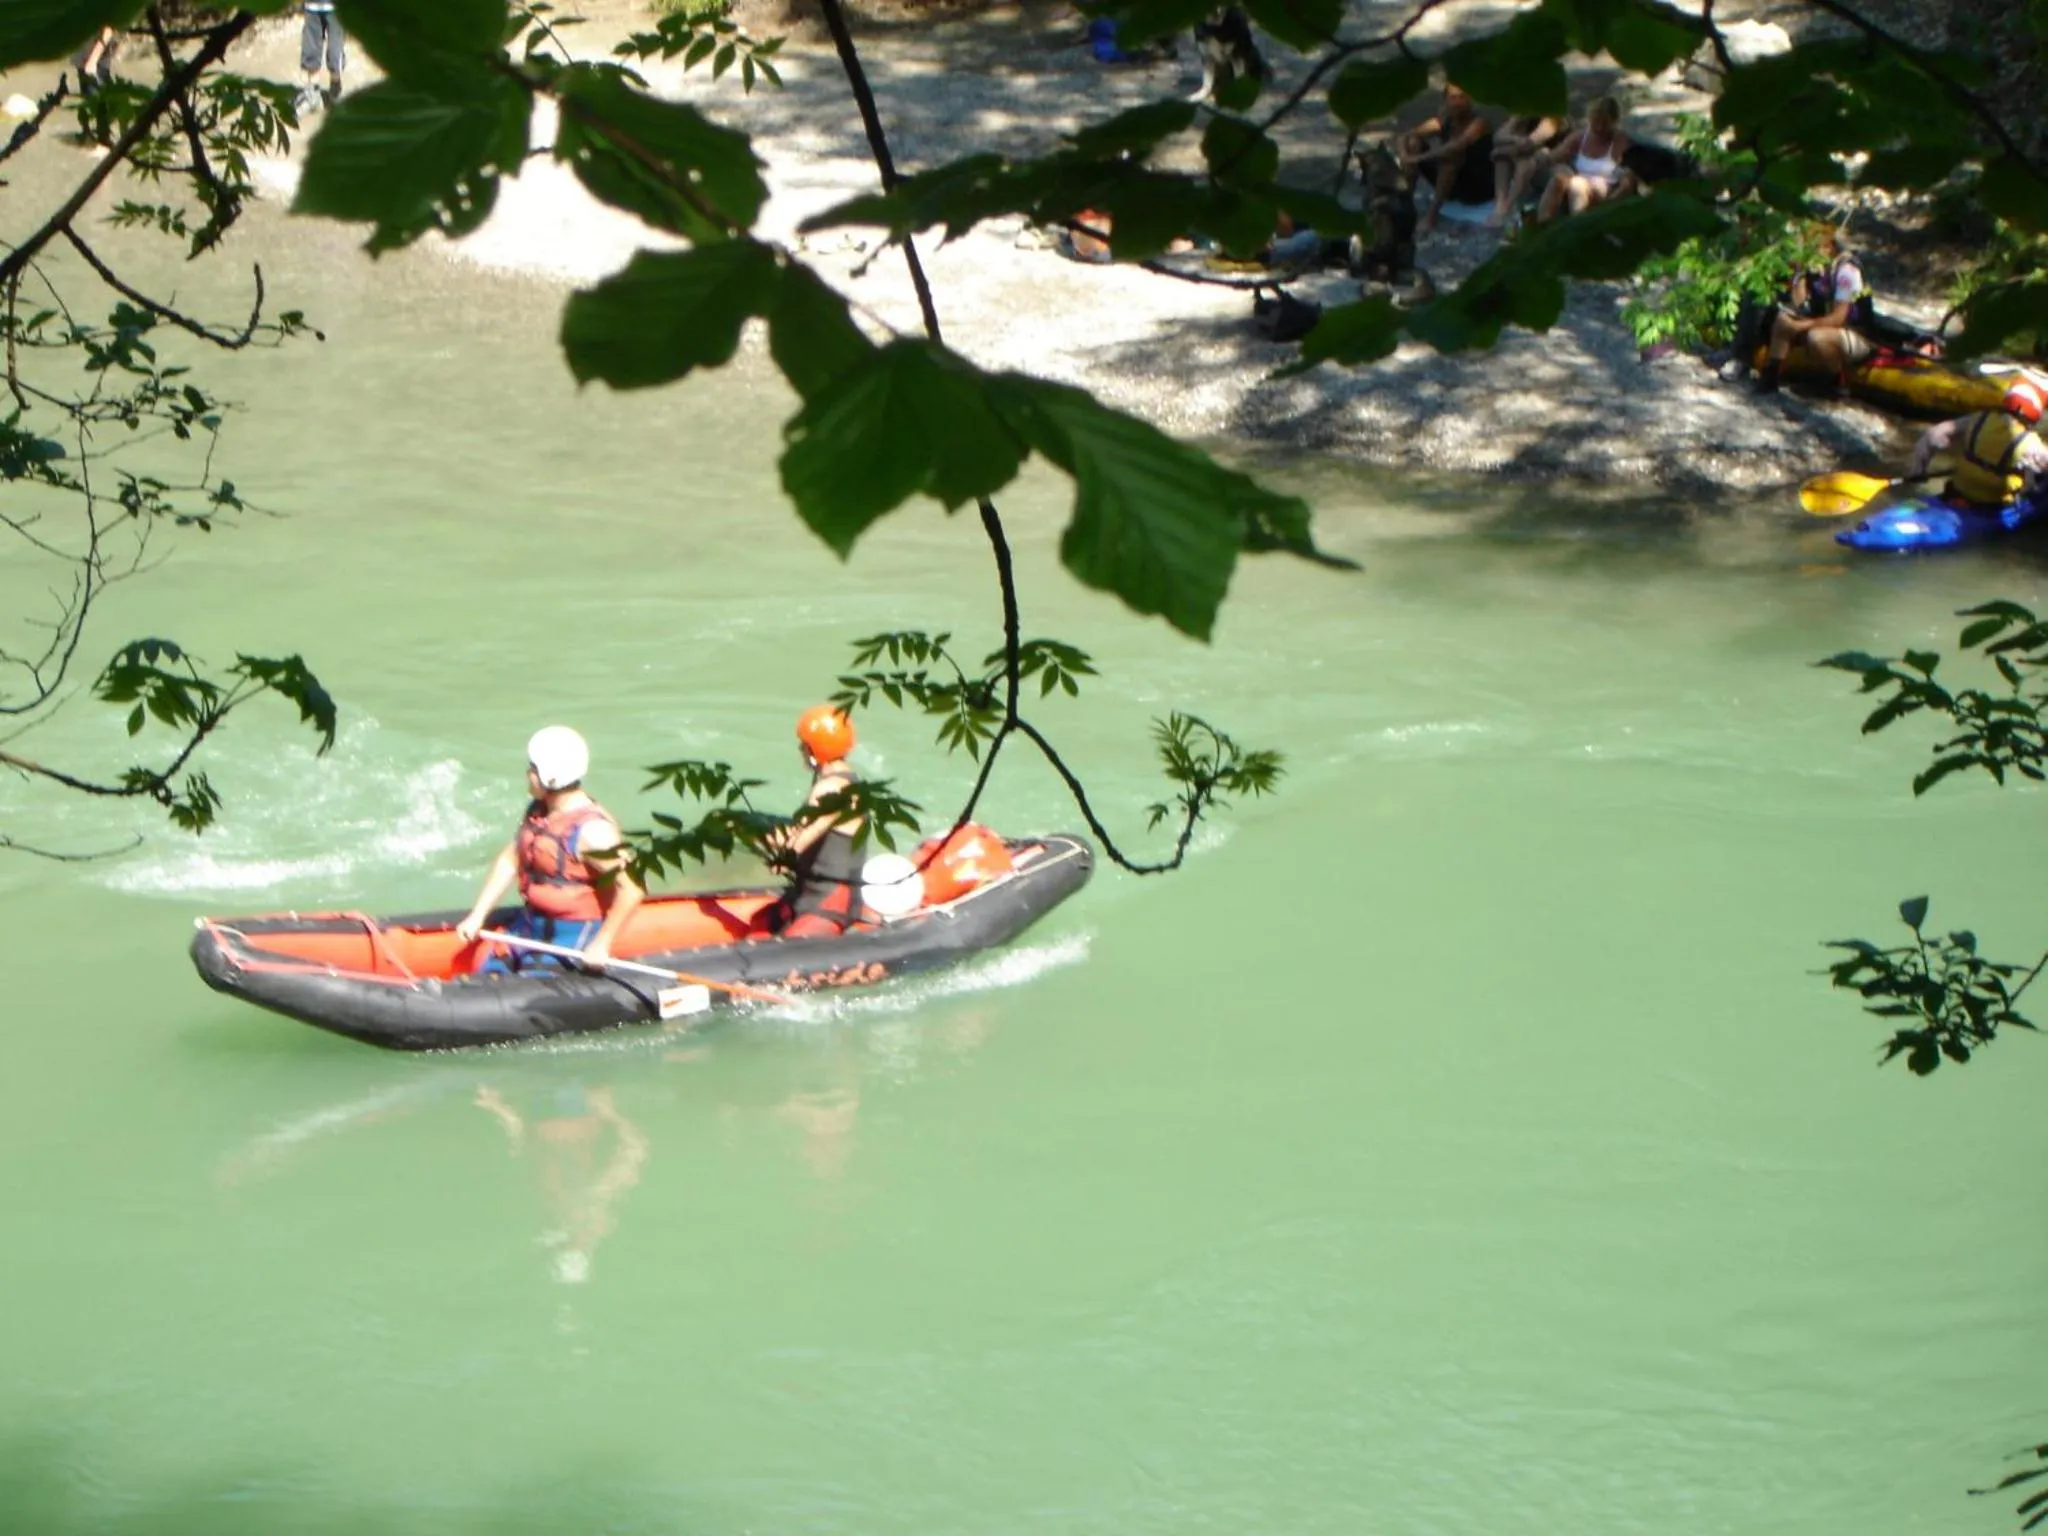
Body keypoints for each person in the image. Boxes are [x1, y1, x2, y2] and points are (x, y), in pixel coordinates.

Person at [455, 726, 645, 973]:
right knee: (484, 971)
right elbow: (511, 859)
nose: (528, 774)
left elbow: (633, 888)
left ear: (550, 777)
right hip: (529, 924)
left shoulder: (593, 832)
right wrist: (478, 915)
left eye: (533, 769)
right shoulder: (539, 811)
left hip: (571, 936)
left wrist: (601, 944)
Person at [763, 706, 869, 938]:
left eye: (804, 744)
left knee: (780, 954)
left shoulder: (829, 789)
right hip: (816, 897)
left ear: (814, 749)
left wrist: (777, 855)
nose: (800, 749)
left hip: (827, 905)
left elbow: (798, 844)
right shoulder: (851, 782)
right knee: (760, 924)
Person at [1755, 225, 1875, 394]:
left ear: (1830, 246)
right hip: (1827, 325)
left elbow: (1838, 318)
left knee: (1817, 337)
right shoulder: (1816, 267)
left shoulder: (1847, 271)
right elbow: (1798, 302)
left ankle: (1836, 381)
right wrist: (1800, 274)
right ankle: (1770, 375)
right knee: (1784, 319)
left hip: (1855, 333)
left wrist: (1800, 327)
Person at [1907, 378, 2048, 508]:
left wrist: (1918, 471)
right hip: (1993, 506)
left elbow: (1933, 434)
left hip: (1955, 492)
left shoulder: (1979, 418)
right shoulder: (2030, 443)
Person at [1398, 83, 1494, 234]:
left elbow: (1457, 146)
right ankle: (1405, 203)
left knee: (1450, 159)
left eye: (1462, 97)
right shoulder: (1443, 121)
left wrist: (1417, 159)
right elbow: (1406, 135)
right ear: (1446, 101)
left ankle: (1431, 216)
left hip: (1478, 187)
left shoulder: (1479, 123)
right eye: (1453, 98)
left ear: (1470, 100)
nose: (1457, 103)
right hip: (1453, 184)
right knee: (1414, 142)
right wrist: (1405, 155)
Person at [1535, 97, 1631, 224]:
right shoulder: (1580, 137)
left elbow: (1628, 180)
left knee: (1577, 185)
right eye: (1596, 122)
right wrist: (1544, 156)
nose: (1599, 128)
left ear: (1614, 122)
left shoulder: (1620, 141)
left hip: (1605, 190)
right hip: (1578, 185)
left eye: (1605, 123)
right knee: (1559, 179)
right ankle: (1542, 225)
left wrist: (1612, 203)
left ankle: (1578, 228)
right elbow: (1553, 157)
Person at [1487, 113, 1569, 228]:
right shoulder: (1524, 116)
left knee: (1520, 160)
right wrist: (1518, 118)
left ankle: (1508, 206)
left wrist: (1508, 146)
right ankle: (1500, 204)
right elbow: (1498, 137)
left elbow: (1529, 143)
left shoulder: (1552, 121)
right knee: (1501, 156)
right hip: (1530, 160)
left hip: (1552, 166)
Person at [300, 1, 345, 109]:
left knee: (335, 53)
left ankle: (335, 90)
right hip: (312, 8)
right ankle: (312, 93)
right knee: (311, 51)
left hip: (336, 9)